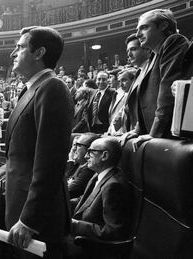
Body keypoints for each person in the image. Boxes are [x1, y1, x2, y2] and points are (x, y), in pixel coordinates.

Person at [5, 26, 74, 258]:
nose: (13, 53)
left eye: (20, 47)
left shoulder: (52, 88)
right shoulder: (32, 89)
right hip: (22, 206)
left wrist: (29, 220)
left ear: (39, 53)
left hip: (38, 220)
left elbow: (50, 162)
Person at [130, 9, 189, 150]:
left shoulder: (174, 41)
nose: (138, 34)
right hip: (158, 135)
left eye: (144, 27)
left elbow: (167, 91)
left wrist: (154, 133)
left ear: (163, 25)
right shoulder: (153, 55)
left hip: (170, 136)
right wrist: (137, 130)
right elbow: (147, 99)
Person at [71, 137, 132, 241]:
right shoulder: (99, 174)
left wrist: (74, 224)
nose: (86, 156)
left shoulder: (113, 186)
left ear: (104, 155)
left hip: (88, 245)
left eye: (90, 152)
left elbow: (113, 231)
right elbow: (85, 200)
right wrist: (61, 204)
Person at [66, 133, 99, 199]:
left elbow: (68, 192)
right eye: (73, 145)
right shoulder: (78, 164)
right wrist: (71, 162)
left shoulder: (89, 169)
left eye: (77, 145)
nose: (73, 149)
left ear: (89, 149)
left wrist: (70, 163)